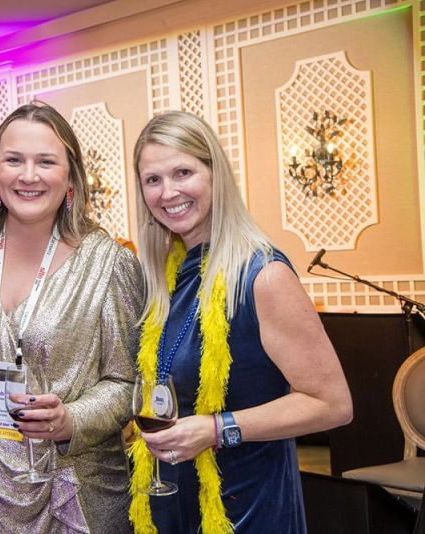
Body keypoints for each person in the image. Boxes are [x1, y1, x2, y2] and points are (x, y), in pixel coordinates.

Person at [128, 111, 353, 533]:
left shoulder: (263, 275)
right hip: (176, 505)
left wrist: (217, 429)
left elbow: (333, 404)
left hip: (250, 509)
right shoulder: (164, 280)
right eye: (152, 179)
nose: (168, 192)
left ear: (215, 174)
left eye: (183, 172)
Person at [0, 102, 144, 533]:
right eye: (14, 160)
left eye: (46, 162)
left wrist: (71, 418)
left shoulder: (108, 264)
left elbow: (128, 382)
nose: (28, 175)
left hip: (74, 493)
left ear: (71, 176)